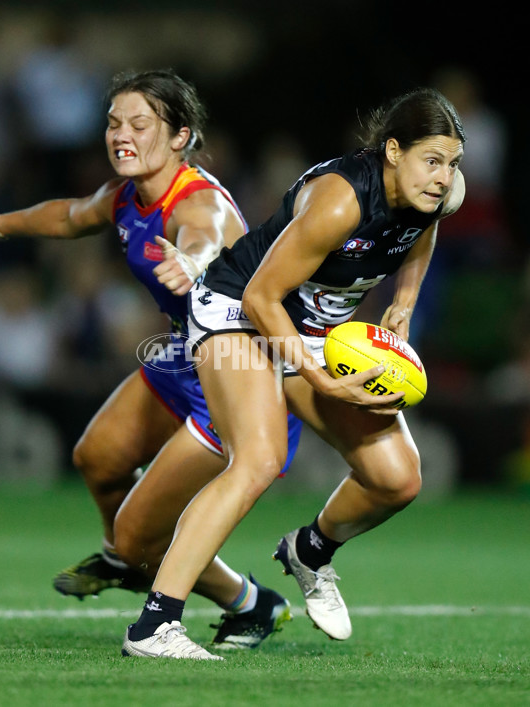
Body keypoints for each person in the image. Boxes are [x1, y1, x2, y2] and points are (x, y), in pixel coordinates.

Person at [0, 69, 302, 651]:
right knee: (98, 457)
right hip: (184, 355)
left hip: (239, 375)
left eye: (140, 123)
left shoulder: (198, 203)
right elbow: (68, 216)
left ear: (180, 136)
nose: (122, 134)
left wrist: (191, 264)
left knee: (139, 537)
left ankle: (249, 602)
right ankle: (129, 558)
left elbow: (208, 237)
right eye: (114, 122)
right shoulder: (125, 197)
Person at [121, 87, 466, 660]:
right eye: (432, 161)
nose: (443, 176)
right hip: (240, 311)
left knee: (397, 478)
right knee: (257, 460)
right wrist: (319, 376)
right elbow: (261, 297)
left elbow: (420, 235)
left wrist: (403, 301)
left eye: (452, 163)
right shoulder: (339, 201)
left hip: (306, 329)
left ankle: (310, 551)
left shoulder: (435, 191)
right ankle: (154, 626)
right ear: (393, 151)